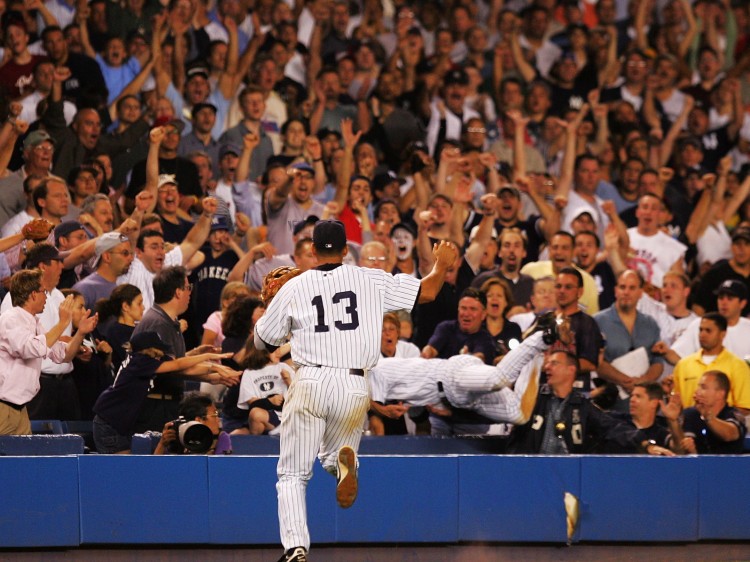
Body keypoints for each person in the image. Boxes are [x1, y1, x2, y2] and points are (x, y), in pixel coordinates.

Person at [254, 220, 457, 562]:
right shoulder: (369, 277)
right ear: (347, 249)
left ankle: (295, 548)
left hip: (310, 381)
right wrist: (442, 264)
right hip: (354, 383)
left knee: (292, 474)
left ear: (313, 251)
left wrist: (275, 305)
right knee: (332, 457)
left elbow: (263, 341)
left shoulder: (295, 286)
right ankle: (343, 465)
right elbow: (429, 292)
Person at [92, 338, 235, 454]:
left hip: (120, 422)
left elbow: (183, 367)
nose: (161, 356)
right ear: (148, 351)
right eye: (158, 352)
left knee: (129, 470)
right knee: (123, 472)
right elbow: (178, 365)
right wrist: (210, 360)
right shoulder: (139, 361)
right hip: (109, 423)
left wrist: (215, 374)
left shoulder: (148, 362)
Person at [0, 269, 97, 435]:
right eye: (43, 291)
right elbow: (30, 349)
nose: (46, 296)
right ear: (32, 295)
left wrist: (80, 333)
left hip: (19, 409)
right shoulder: (11, 318)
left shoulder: (34, 322)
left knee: (24, 459)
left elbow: (63, 355)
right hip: (4, 408)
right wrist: (62, 323)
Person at [661, 371, 747, 454]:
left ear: (720, 394)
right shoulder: (690, 414)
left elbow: (729, 435)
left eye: (703, 387)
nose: (697, 391)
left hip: (730, 467)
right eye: (698, 387)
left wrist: (708, 417)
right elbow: (679, 451)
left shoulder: (734, 414)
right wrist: (673, 421)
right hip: (697, 467)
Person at [154, 392, 234, 455]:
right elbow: (155, 469)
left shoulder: (221, 438)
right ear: (199, 420)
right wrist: (162, 444)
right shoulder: (178, 435)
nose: (218, 420)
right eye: (215, 415)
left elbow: (221, 468)